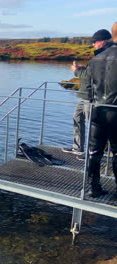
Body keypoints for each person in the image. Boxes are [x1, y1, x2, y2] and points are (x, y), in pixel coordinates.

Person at [62, 29, 113, 156]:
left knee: (92, 125)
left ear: (103, 41)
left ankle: (91, 153)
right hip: (83, 96)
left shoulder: (104, 56)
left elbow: (88, 77)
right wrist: (82, 69)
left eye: (95, 42)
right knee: (77, 118)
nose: (93, 44)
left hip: (90, 97)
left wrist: (76, 70)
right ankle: (78, 148)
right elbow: (91, 73)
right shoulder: (100, 56)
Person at [83, 25, 117, 198]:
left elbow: (86, 90)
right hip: (115, 113)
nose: (93, 45)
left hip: (98, 112)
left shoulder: (94, 60)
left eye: (95, 42)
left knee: (94, 152)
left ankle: (92, 187)